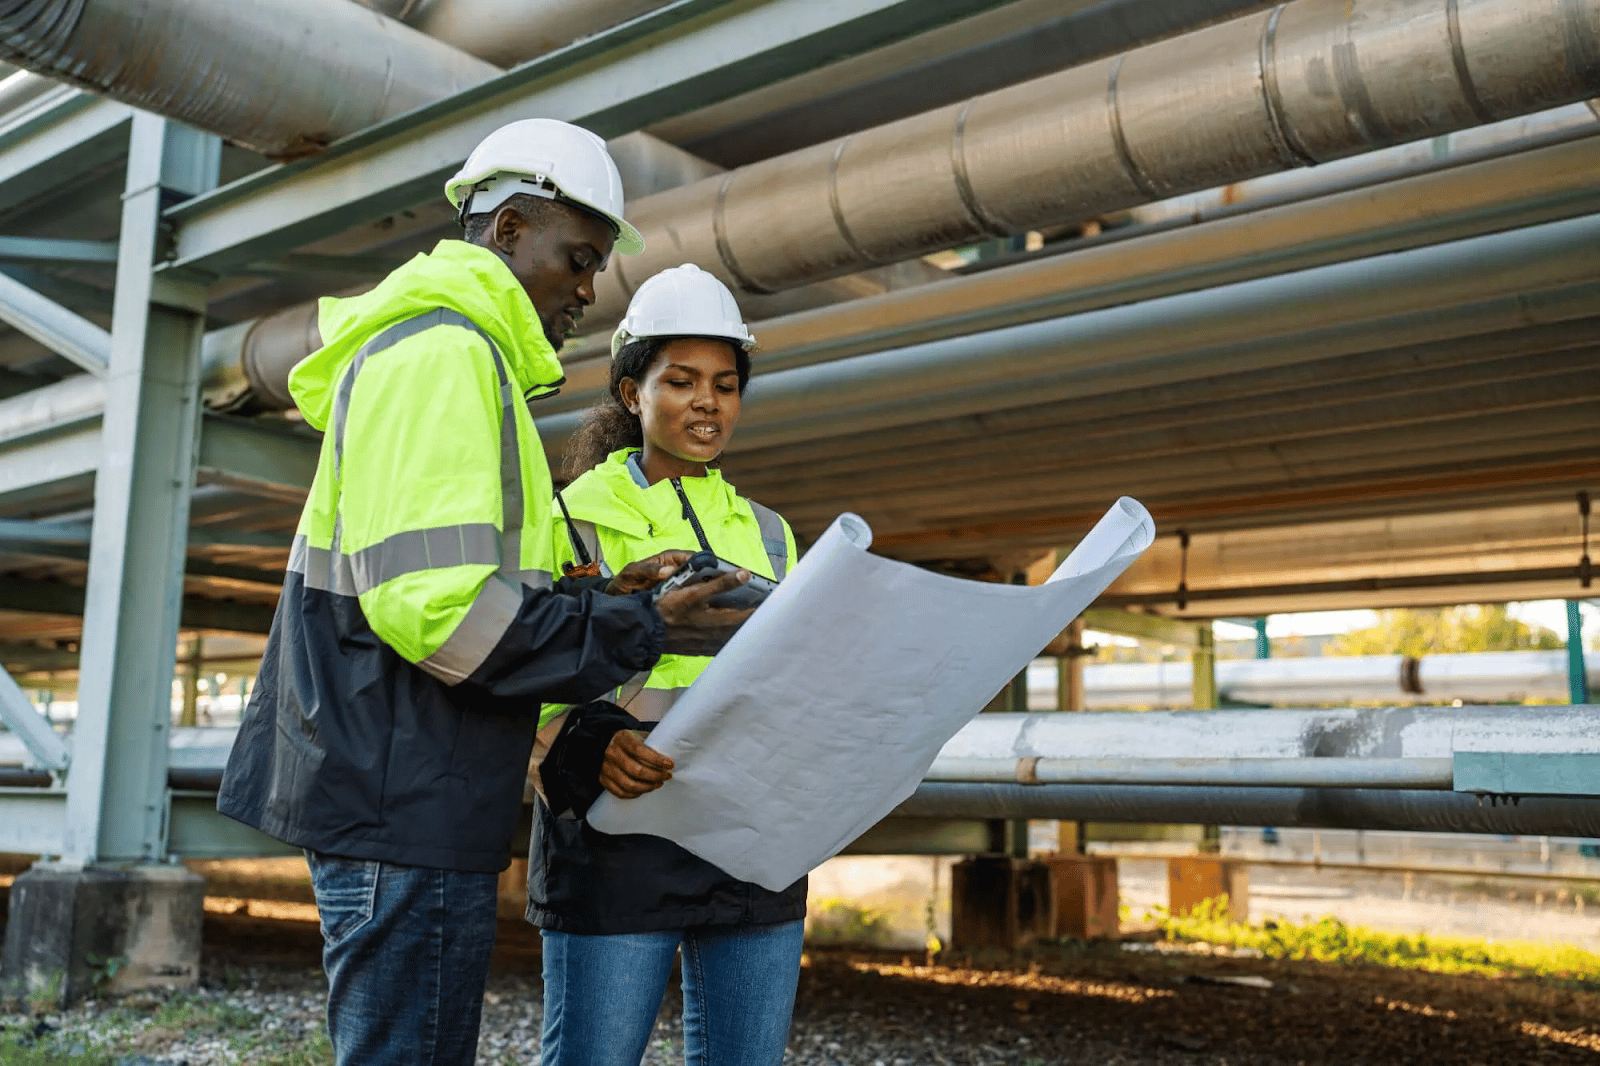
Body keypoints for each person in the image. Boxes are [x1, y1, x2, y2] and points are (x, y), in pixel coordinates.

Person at [216, 122, 751, 1066]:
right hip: (403, 796)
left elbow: (479, 588)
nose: (588, 290)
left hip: (408, 784)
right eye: (578, 259)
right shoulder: (443, 357)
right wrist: (636, 624)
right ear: (508, 228)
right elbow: (446, 615)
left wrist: (609, 594)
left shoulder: (458, 358)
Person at [531, 263, 805, 1066]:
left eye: (725, 384)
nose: (707, 403)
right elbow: (524, 661)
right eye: (680, 381)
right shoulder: (570, 518)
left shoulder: (772, 531)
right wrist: (585, 746)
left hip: (751, 836)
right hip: (617, 828)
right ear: (630, 394)